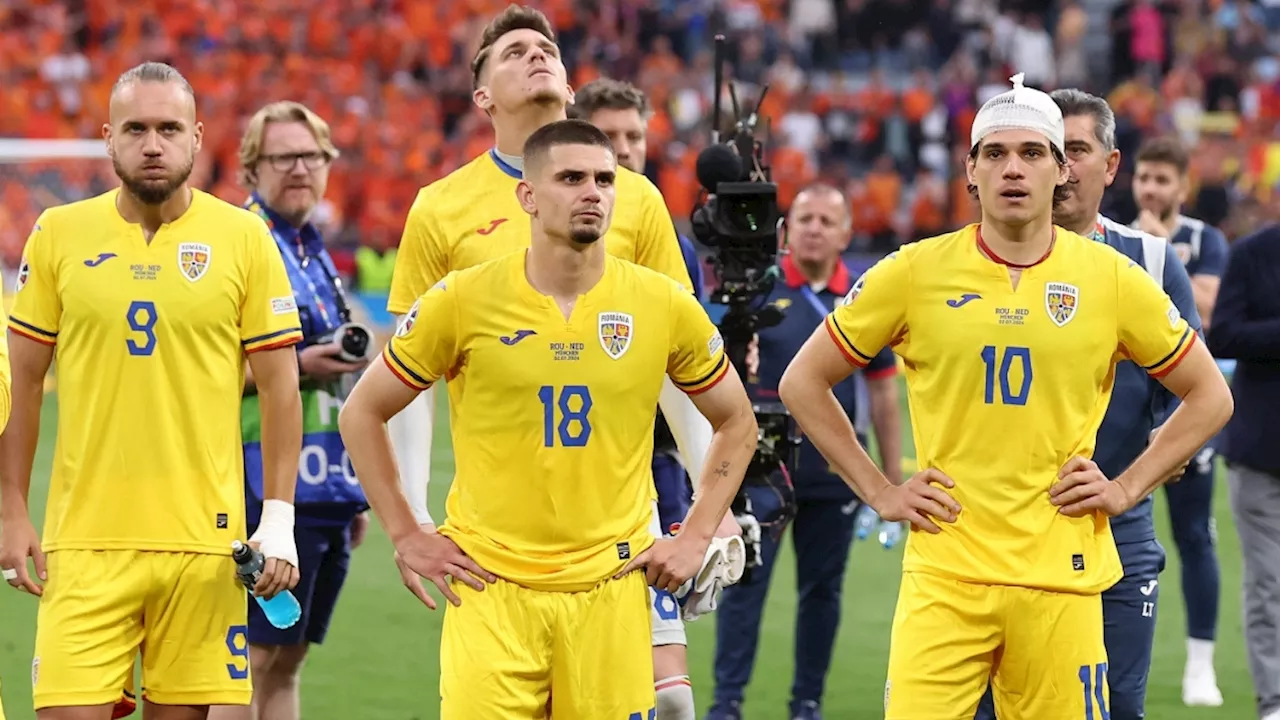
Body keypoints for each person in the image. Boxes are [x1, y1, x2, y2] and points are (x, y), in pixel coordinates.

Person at [778, 73, 1234, 719]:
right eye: (994, 153)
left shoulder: (1113, 280)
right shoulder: (914, 271)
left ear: (1060, 172)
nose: (1012, 169)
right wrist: (881, 490)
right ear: (970, 171)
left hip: (1063, 578)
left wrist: (1127, 488)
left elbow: (1211, 397)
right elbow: (803, 381)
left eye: (1031, 153)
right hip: (946, 576)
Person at [338, 119, 758, 719]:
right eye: (570, 178)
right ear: (527, 196)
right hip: (491, 590)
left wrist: (696, 533)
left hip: (611, 589)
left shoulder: (662, 302)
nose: (593, 192)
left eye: (604, 179)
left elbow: (737, 423)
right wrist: (407, 533)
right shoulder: (462, 299)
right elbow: (363, 412)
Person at [0, 62, 304, 720]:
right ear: (108, 139)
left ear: (197, 137)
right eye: (135, 128)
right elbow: (21, 382)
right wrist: (11, 509)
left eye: (169, 128)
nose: (153, 143)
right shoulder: (58, 233)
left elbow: (282, 388)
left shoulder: (245, 237)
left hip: (203, 547)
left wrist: (277, 524)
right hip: (82, 547)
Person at [973, 88, 1202, 720]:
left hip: (1115, 529)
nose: (1065, 168)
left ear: (1111, 166)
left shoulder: (1151, 263)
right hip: (998, 528)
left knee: (1117, 708)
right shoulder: (971, 264)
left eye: (1076, 150)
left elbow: (1199, 399)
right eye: (1054, 150)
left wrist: (1134, 480)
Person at [706, 183, 904, 720]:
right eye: (805, 218)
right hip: (763, 469)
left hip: (835, 469)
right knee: (746, 584)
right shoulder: (756, 292)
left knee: (823, 592)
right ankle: (727, 703)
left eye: (826, 219)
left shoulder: (865, 298)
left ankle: (806, 704)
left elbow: (884, 393)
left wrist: (888, 479)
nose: (815, 227)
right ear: (786, 231)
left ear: (846, 232)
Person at [205, 101, 372, 720]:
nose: (301, 168)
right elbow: (206, 373)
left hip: (323, 481)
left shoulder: (310, 248)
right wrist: (303, 365)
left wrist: (351, 484)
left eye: (312, 155)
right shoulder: (239, 242)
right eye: (284, 157)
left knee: (290, 658)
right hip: (256, 477)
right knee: (245, 660)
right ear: (252, 168)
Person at [568, 75, 715, 719]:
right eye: (609, 137)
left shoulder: (664, 234)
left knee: (671, 699)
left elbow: (693, 361)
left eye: (634, 137)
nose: (625, 150)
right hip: (565, 474)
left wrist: (714, 497)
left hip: (654, 472)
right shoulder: (550, 235)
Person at [1130, 135, 1230, 707]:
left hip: (1185, 410)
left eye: (1162, 180)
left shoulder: (1203, 241)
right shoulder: (1113, 237)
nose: (1151, 189)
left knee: (1195, 537)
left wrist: (1160, 246)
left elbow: (1209, 312)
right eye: (1144, 178)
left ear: (1182, 189)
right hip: (1127, 408)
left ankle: (1199, 665)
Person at [1206, 222, 1280, 720]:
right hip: (1262, 450)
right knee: (1269, 583)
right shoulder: (1254, 253)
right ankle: (1275, 701)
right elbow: (1224, 334)